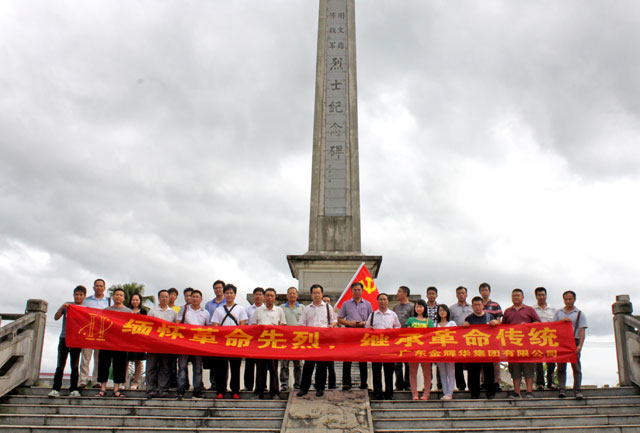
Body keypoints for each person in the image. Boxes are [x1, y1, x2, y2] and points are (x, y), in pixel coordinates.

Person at [297, 284, 337, 398]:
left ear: (322, 294)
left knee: (322, 366)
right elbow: (302, 324)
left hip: (323, 340)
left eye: (318, 293)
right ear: (311, 295)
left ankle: (320, 388)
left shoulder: (328, 307)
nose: (316, 295)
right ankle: (304, 388)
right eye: (314, 293)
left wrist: (331, 325)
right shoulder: (307, 309)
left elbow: (334, 320)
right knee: (308, 365)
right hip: (310, 340)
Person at [502, 288, 541, 398]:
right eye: (513, 296)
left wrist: (528, 326)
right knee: (515, 370)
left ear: (522, 297)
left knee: (529, 368)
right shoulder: (507, 311)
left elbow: (538, 323)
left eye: (518, 295)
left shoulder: (529, 310)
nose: (516, 297)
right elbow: (502, 328)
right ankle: (517, 392)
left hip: (527, 345)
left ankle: (529, 391)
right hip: (513, 345)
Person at [49, 285, 86, 397]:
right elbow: (56, 317)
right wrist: (62, 307)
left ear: (84, 296)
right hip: (64, 337)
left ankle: (73, 389)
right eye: (76, 294)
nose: (78, 297)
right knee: (60, 365)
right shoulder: (67, 306)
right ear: (73, 295)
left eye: (80, 295)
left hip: (76, 339)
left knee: (74, 366)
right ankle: (56, 388)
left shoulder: (85, 309)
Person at [212, 283, 248, 399]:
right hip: (222, 343)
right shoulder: (218, 310)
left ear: (235, 295)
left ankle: (235, 391)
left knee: (235, 368)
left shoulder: (240, 309)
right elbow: (215, 325)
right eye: (227, 293)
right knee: (221, 368)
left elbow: (242, 325)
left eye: (231, 293)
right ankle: (220, 390)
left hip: (235, 342)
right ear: (224, 294)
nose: (229, 295)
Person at [251, 288, 286, 399]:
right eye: (267, 295)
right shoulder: (258, 311)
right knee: (260, 369)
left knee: (273, 369)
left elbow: (283, 326)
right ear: (264, 297)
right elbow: (253, 326)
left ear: (275, 298)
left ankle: (274, 392)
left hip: (273, 344)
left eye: (271, 296)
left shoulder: (279, 310)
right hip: (261, 344)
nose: (269, 298)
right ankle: (259, 392)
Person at [96, 288, 132, 397]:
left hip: (121, 342)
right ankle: (103, 387)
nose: (118, 297)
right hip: (107, 341)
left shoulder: (128, 311)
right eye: (117, 295)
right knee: (104, 363)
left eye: (121, 295)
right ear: (113, 296)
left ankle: (116, 388)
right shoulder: (106, 310)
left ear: (124, 298)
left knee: (119, 364)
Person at [337, 282, 372, 391]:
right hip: (349, 333)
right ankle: (346, 383)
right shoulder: (346, 304)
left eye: (359, 290)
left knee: (363, 359)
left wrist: (364, 323)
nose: (357, 292)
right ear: (351, 291)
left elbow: (371, 319)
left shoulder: (367, 304)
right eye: (355, 290)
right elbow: (339, 318)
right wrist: (349, 323)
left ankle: (364, 383)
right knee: (347, 358)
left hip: (363, 333)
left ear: (362, 291)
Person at [463, 296, 499, 399]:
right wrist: (464, 325)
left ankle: (490, 392)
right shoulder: (469, 319)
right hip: (473, 350)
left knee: (489, 372)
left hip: (487, 349)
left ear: (483, 306)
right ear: (472, 306)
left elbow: (497, 330)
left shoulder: (489, 317)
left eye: (479, 305)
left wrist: (496, 323)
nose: (477, 307)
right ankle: (474, 393)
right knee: (473, 372)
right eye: (475, 305)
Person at [176, 289, 209, 400]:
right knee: (182, 367)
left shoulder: (205, 313)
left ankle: (197, 391)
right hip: (184, 343)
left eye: (197, 297)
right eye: (192, 296)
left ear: (201, 299)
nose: (194, 299)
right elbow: (177, 324)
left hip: (198, 344)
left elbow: (209, 328)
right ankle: (180, 391)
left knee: (198, 368)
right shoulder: (184, 310)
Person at [553, 290, 587, 399]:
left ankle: (577, 390)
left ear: (574, 299)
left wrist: (580, 345)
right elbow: (553, 327)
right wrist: (561, 321)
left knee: (576, 366)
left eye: (570, 299)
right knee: (561, 367)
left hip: (574, 340)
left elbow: (582, 330)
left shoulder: (579, 313)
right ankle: (562, 389)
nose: (568, 301)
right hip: (561, 341)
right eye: (566, 299)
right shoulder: (558, 312)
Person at [367, 293, 401, 400]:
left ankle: (389, 393)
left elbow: (398, 328)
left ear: (388, 301)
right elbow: (367, 328)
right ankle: (377, 393)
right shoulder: (373, 314)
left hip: (388, 347)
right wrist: (370, 329)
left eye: (385, 299)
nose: (382, 301)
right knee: (376, 370)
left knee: (389, 370)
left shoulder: (392, 314)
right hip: (376, 346)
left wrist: (392, 330)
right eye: (381, 299)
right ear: (377, 301)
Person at [79, 278, 111, 390]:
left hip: (101, 333)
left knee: (99, 359)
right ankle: (82, 381)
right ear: (93, 287)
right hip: (88, 332)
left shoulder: (109, 301)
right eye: (97, 286)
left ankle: (96, 381)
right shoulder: (86, 301)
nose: (99, 288)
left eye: (101, 286)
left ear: (104, 288)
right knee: (85, 358)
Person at [146, 289, 177, 398]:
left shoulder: (173, 313)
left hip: (166, 345)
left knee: (165, 367)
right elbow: (148, 326)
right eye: (162, 297)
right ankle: (151, 389)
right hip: (153, 344)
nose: (164, 298)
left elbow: (176, 329)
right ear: (159, 298)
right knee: (151, 367)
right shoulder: (152, 311)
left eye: (166, 297)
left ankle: (163, 389)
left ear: (169, 298)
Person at [406, 299, 433, 400]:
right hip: (413, 349)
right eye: (417, 307)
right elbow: (407, 333)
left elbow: (431, 335)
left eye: (420, 307)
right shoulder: (410, 320)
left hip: (425, 350)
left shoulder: (429, 321)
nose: (418, 308)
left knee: (427, 373)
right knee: (413, 372)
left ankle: (426, 393)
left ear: (424, 308)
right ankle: (415, 394)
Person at [479, 282, 503, 390]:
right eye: (482, 290)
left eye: (486, 290)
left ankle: (497, 381)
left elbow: (499, 320)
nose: (484, 292)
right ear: (479, 292)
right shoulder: (477, 305)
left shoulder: (495, 305)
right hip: (481, 337)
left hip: (493, 336)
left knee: (495, 360)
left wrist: (495, 322)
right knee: (483, 359)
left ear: (489, 291)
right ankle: (484, 381)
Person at [280, 287, 304, 392]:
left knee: (298, 364)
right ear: (287, 295)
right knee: (284, 364)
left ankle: (298, 383)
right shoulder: (281, 308)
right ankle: (284, 384)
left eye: (294, 293)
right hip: (285, 340)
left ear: (297, 295)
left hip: (298, 340)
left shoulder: (302, 308)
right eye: (290, 293)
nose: (292, 295)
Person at [203, 280, 226, 390]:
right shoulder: (208, 304)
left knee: (224, 362)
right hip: (212, 336)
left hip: (224, 336)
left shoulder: (228, 302)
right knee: (213, 361)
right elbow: (206, 319)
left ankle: (223, 385)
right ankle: (213, 383)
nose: (218, 290)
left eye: (220, 288)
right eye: (216, 288)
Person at [533, 287, 557, 390]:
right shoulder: (532, 309)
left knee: (551, 361)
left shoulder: (553, 309)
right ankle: (540, 383)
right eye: (539, 295)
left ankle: (551, 382)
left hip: (549, 338)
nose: (541, 297)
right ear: (536, 296)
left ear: (546, 295)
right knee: (538, 361)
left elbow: (557, 323)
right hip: (537, 338)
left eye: (543, 295)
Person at [449, 286, 472, 391]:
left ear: (466, 294)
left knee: (471, 362)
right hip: (457, 339)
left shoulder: (472, 307)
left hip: (470, 338)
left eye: (463, 293)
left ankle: (472, 385)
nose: (461, 295)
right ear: (456, 295)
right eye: (459, 293)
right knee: (458, 363)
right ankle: (461, 386)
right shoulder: (452, 309)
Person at [244, 287, 265, 393]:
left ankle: (262, 386)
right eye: (256, 294)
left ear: (263, 297)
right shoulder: (248, 309)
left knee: (262, 365)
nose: (258, 296)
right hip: (251, 340)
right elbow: (245, 324)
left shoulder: (266, 309)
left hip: (262, 341)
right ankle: (248, 386)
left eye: (260, 294)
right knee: (249, 364)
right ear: (253, 296)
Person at [393, 286, 413, 391]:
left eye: (399, 291)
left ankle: (408, 384)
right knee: (397, 363)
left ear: (405, 293)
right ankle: (399, 384)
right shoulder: (395, 307)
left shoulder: (412, 306)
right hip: (397, 338)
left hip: (408, 338)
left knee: (408, 363)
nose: (397, 293)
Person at [435, 304, 457, 400]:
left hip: (450, 350)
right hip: (439, 351)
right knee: (442, 373)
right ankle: (445, 393)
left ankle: (449, 393)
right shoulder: (435, 324)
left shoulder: (452, 323)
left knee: (450, 372)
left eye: (444, 310)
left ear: (447, 312)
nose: (442, 312)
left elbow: (456, 335)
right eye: (440, 310)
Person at [127, 293, 147, 390]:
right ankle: (124, 381)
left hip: (139, 339)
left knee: (138, 360)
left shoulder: (144, 312)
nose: (135, 302)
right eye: (133, 300)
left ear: (140, 301)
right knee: (126, 359)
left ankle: (136, 381)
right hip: (127, 338)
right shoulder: (127, 311)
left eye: (137, 300)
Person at [322, 294, 337, 390]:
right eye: (324, 301)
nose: (326, 303)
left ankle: (332, 384)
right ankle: (320, 383)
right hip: (319, 340)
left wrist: (332, 325)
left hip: (329, 340)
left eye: (328, 301)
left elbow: (335, 321)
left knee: (331, 364)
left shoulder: (330, 309)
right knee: (320, 365)